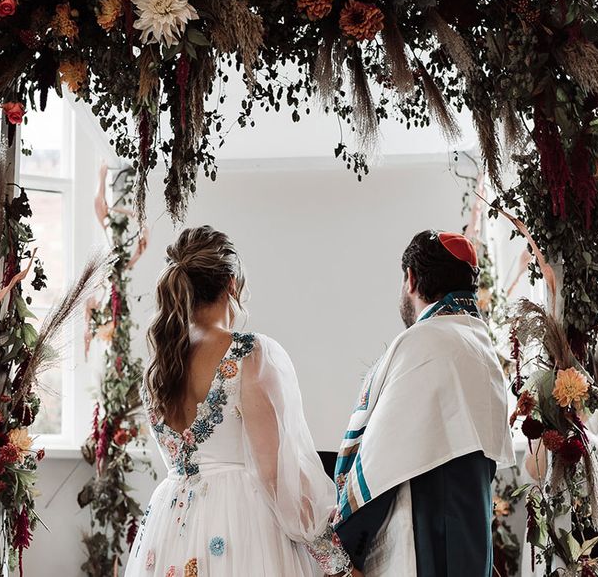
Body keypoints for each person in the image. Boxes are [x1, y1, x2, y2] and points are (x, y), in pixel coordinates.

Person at [125, 226, 352, 577]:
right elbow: (277, 475)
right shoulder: (250, 353)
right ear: (232, 283)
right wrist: (335, 562)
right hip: (242, 529)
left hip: (169, 529)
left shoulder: (159, 367)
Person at [332, 230, 515, 577]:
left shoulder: (424, 342)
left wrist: (347, 551)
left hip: (428, 534)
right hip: (472, 536)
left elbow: (382, 458)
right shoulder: (481, 346)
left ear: (411, 279)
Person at [522, 347, 598, 575]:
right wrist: (544, 418)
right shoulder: (551, 418)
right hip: (564, 520)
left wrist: (571, 417)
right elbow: (533, 472)